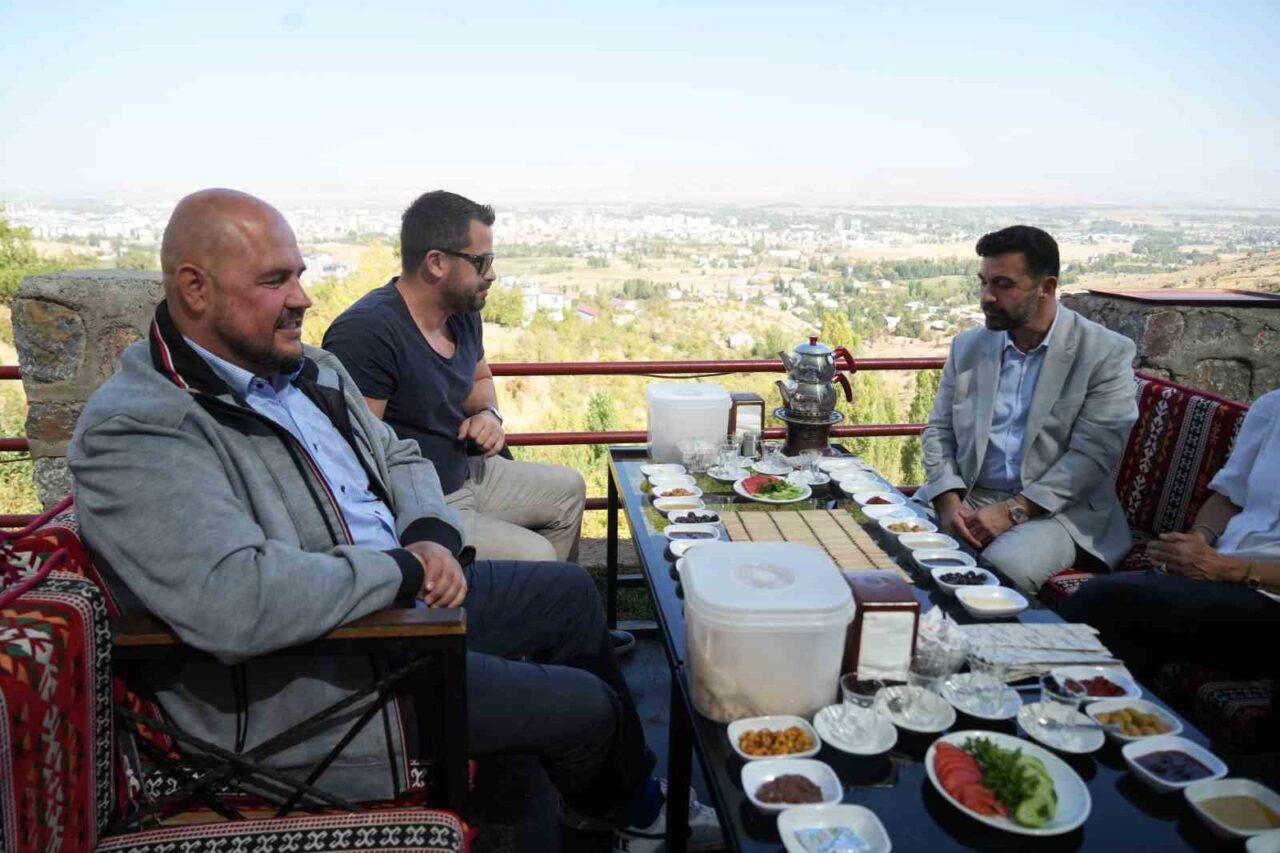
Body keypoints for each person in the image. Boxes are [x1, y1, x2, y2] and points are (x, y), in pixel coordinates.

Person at [67, 189, 719, 852]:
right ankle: (638, 812)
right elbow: (234, 599)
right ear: (195, 289)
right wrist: (403, 568)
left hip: (402, 602)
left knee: (571, 594)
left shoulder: (308, 372)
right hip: (341, 673)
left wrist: (428, 535)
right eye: (274, 280)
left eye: (299, 275)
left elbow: (401, 455)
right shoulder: (140, 428)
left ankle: (610, 799)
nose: (301, 298)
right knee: (588, 706)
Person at [322, 191, 585, 566]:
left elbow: (480, 380)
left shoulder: (462, 313)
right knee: (537, 555)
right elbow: (358, 459)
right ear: (436, 263)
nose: (491, 274)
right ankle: (519, 591)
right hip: (424, 504)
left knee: (569, 489)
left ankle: (546, 597)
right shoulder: (367, 333)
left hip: (469, 473)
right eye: (481, 262)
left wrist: (489, 415)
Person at [915, 225, 1139, 594]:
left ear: (1046, 287)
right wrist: (946, 497)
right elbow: (939, 430)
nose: (987, 297)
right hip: (971, 492)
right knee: (891, 539)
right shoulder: (969, 347)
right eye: (984, 282)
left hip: (1058, 513)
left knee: (995, 573)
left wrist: (1013, 510)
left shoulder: (1104, 353)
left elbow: (1092, 456)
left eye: (1003, 285)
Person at [1061, 388, 1280, 686]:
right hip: (1221, 575)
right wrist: (1197, 541)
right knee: (1129, 620)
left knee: (1101, 600)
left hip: (1266, 597)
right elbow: (1229, 495)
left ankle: (1061, 702)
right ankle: (1108, 705)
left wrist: (1231, 569)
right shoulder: (1272, 406)